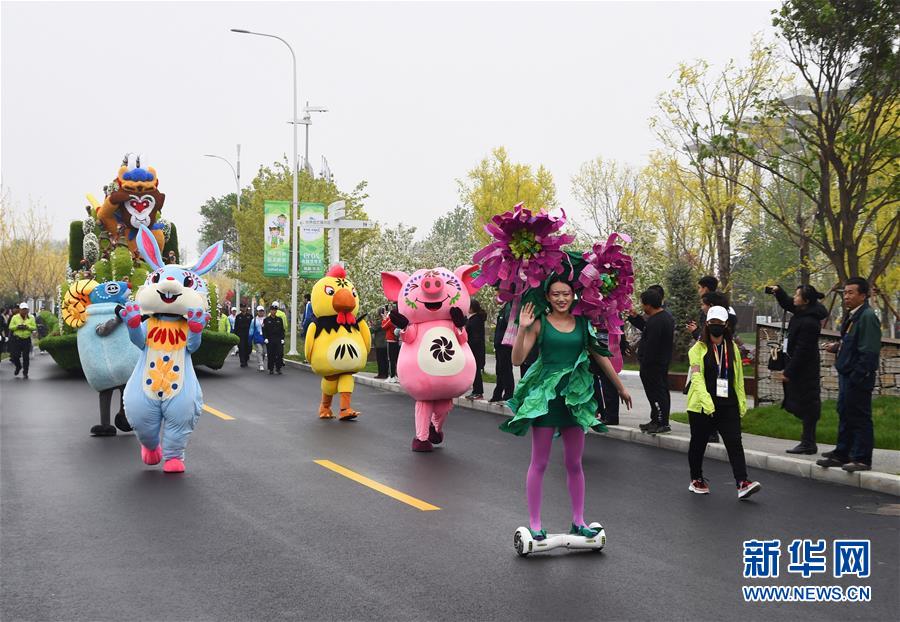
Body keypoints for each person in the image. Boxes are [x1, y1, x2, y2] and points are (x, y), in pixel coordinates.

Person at [501, 276, 632, 541]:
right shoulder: (539, 324)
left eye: (566, 293)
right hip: (546, 400)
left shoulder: (584, 325)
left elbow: (600, 355)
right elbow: (517, 360)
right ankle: (535, 524)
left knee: (574, 463)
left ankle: (578, 521)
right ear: (548, 297)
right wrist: (523, 329)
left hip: (575, 398)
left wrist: (620, 387)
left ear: (575, 295)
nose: (561, 298)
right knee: (540, 462)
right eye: (556, 294)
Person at [685, 306, 762, 499]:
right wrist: (707, 403)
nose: (716, 327)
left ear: (726, 325)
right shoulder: (697, 349)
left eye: (720, 324)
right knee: (698, 443)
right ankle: (696, 479)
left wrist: (741, 402)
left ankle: (742, 482)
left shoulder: (732, 348)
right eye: (713, 324)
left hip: (728, 404)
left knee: (735, 442)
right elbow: (697, 378)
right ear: (707, 324)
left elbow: (738, 378)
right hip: (702, 406)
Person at [817, 277, 881, 472]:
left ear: (863, 295)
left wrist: (858, 376)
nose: (846, 296)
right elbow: (852, 342)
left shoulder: (867, 316)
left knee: (860, 415)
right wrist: (837, 347)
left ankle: (862, 458)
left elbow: (869, 351)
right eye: (845, 293)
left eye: (851, 293)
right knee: (845, 412)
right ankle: (842, 453)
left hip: (858, 376)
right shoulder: (853, 316)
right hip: (847, 374)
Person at [768, 284, 828, 454]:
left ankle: (808, 443)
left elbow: (803, 351)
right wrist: (778, 291)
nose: (794, 298)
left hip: (805, 370)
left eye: (797, 295)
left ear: (806, 301)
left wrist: (788, 372)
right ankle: (807, 442)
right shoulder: (802, 312)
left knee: (808, 404)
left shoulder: (809, 322)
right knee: (800, 402)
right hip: (799, 367)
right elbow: (788, 303)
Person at [632, 288, 675, 434]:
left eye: (643, 304)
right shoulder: (663, 318)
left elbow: (652, 344)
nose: (643, 308)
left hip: (653, 365)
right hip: (658, 363)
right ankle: (656, 419)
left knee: (657, 393)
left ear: (649, 305)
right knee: (656, 393)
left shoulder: (658, 321)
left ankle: (662, 422)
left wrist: (644, 360)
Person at [489, 302, 515, 403]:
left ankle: (508, 395)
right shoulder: (503, 308)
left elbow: (508, 322)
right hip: (499, 344)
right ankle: (497, 394)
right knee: (500, 370)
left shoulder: (510, 306)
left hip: (505, 345)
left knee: (506, 370)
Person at [465, 299, 487, 400]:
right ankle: (475, 390)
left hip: (476, 350)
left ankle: (478, 391)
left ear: (472, 308)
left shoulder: (476, 320)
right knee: (474, 371)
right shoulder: (472, 318)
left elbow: (475, 337)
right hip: (474, 349)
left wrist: (469, 345)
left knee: (476, 371)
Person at [8, 303, 36, 378]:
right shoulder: (15, 317)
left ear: (27, 310)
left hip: (26, 339)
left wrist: (27, 327)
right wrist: (17, 327)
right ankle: (18, 366)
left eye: (26, 309)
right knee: (15, 356)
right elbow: (10, 327)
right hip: (17, 339)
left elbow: (34, 327)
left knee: (26, 357)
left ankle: (25, 372)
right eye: (23, 309)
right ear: (20, 310)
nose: (24, 311)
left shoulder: (31, 318)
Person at [263, 303, 285, 374]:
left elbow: (282, 330)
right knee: (271, 354)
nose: (274, 311)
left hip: (278, 339)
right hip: (270, 339)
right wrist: (265, 338)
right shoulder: (266, 320)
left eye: (275, 310)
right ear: (270, 311)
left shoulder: (279, 319)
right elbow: (264, 330)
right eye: (272, 310)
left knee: (280, 353)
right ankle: (271, 368)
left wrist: (282, 338)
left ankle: (278, 368)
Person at [382, 305, 400, 382]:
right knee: (396, 359)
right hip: (396, 340)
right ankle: (396, 375)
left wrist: (384, 318)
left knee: (391, 359)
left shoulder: (391, 319)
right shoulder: (398, 318)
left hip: (391, 340)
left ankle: (392, 376)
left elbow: (384, 326)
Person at [248, 305, 267, 371]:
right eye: (260, 311)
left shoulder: (266, 319)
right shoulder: (254, 320)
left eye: (262, 311)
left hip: (265, 338)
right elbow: (251, 330)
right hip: (257, 338)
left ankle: (261, 361)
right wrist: (250, 339)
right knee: (260, 351)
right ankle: (261, 365)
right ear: (257, 312)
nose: (261, 312)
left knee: (264, 352)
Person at [372, 306, 389, 379]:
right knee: (385, 359)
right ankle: (386, 373)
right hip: (386, 343)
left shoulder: (379, 322)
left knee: (381, 360)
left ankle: (381, 374)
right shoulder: (387, 320)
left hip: (380, 343)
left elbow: (373, 329)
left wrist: (372, 325)